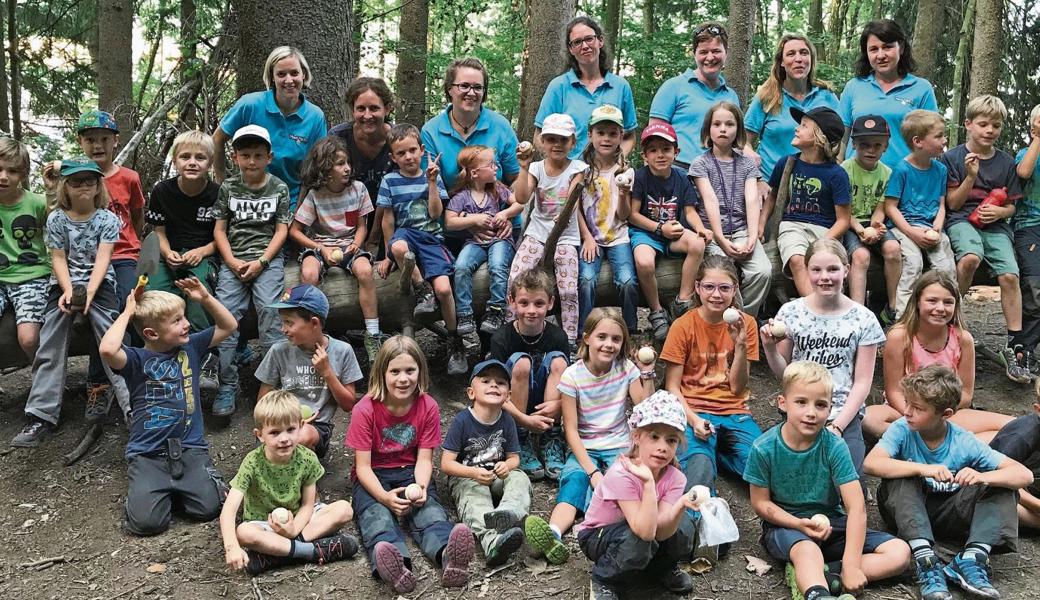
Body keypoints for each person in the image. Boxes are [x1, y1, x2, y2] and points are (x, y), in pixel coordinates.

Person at [865, 365, 1034, 600]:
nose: (907, 412)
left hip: (950, 511)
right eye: (907, 403)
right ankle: (926, 560)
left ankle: (971, 559)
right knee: (901, 476)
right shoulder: (902, 429)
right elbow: (872, 463)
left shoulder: (963, 440)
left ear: (945, 414)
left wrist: (982, 477)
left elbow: (1024, 475)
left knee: (1003, 486)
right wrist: (923, 469)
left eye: (918, 408)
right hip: (906, 510)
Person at [745, 361, 911, 600]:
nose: (811, 412)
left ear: (830, 408)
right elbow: (761, 504)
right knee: (807, 549)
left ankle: (827, 575)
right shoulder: (764, 448)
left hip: (831, 523)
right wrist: (798, 524)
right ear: (783, 403)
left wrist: (852, 566)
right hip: (786, 527)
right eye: (801, 402)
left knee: (899, 552)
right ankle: (818, 593)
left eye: (820, 405)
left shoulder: (834, 446)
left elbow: (856, 508)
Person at [98, 280, 236, 535]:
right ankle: (154, 492)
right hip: (148, 453)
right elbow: (107, 349)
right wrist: (127, 313)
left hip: (189, 447)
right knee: (146, 524)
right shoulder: (135, 360)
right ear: (151, 333)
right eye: (176, 321)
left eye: (183, 317)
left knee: (209, 508)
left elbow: (229, 326)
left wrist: (205, 298)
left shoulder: (190, 346)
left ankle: (177, 488)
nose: (186, 324)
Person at [11, 158, 130, 447]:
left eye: (90, 181)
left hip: (99, 283)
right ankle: (41, 413)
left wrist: (90, 291)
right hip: (63, 284)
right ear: (66, 186)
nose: (84, 187)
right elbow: (58, 257)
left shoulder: (106, 218)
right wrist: (67, 290)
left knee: (111, 337)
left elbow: (104, 258)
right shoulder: (57, 219)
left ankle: (133, 408)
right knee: (50, 337)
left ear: (98, 185)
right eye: (76, 181)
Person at [346, 336, 474, 593]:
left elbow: (425, 458)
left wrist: (422, 486)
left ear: (420, 372)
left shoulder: (427, 406)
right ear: (382, 373)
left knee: (430, 512)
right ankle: (397, 566)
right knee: (377, 518)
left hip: (410, 472)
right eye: (394, 371)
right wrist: (384, 497)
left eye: (409, 370)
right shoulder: (365, 409)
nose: (403, 379)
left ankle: (448, 556)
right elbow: (362, 467)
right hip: (374, 476)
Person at [532, 308, 655, 562]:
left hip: (619, 444)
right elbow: (571, 431)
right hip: (584, 446)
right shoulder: (572, 376)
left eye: (616, 339)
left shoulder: (626, 368)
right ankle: (553, 533)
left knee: (617, 486)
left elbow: (646, 411)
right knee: (575, 481)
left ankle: (599, 529)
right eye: (602, 337)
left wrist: (648, 373)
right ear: (587, 338)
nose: (609, 344)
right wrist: (591, 471)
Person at [761, 239, 885, 476]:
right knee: (793, 481)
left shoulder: (863, 319)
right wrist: (769, 348)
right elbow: (784, 373)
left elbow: (862, 382)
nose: (824, 277)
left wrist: (838, 426)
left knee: (846, 483)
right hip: (800, 409)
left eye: (833, 269)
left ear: (846, 270)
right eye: (816, 270)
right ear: (806, 270)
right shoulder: (791, 312)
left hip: (843, 413)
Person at [220, 390, 359, 575]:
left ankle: (275, 554)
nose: (284, 438)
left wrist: (293, 530)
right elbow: (228, 510)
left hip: (300, 520)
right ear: (260, 435)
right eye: (275, 432)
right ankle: (311, 551)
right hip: (264, 524)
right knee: (244, 532)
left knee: (344, 510)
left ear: (301, 426)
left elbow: (308, 504)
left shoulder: (307, 458)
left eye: (291, 429)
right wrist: (231, 547)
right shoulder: (252, 462)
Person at [863, 271, 1013, 441]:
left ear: (956, 305)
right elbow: (894, 392)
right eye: (932, 301)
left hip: (946, 414)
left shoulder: (963, 339)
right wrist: (917, 414)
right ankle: (936, 443)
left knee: (1013, 426)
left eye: (948, 302)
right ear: (918, 302)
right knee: (869, 418)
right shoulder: (899, 336)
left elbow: (965, 394)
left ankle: (933, 442)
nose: (940, 308)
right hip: (904, 411)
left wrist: (935, 414)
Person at [576, 390, 699, 599]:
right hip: (599, 536)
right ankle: (604, 579)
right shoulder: (622, 473)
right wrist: (649, 484)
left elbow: (660, 530)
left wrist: (681, 505)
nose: (662, 447)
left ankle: (661, 568)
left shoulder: (675, 477)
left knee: (685, 526)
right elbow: (644, 532)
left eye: (671, 440)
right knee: (637, 541)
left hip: (640, 533)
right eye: (654, 437)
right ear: (637, 437)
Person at [942, 95, 1029, 383]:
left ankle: (1015, 342)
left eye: (996, 125)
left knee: (1010, 276)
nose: (989, 130)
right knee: (969, 259)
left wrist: (1000, 211)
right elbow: (953, 205)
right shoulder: (953, 158)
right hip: (962, 221)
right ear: (968, 124)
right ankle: (950, 323)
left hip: (996, 228)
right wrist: (970, 177)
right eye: (982, 124)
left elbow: (1013, 206)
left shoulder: (1005, 162)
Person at [661, 256, 761, 500]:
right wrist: (694, 420)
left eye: (724, 288)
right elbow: (672, 386)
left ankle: (721, 451)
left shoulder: (746, 324)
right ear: (697, 288)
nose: (717, 295)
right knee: (698, 474)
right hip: (693, 411)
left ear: (734, 290)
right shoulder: (682, 326)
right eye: (709, 287)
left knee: (762, 466)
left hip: (735, 413)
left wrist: (740, 345)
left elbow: (738, 387)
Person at [67, 110, 146, 418]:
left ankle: (137, 377)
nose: (97, 145)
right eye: (90, 140)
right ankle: (98, 386)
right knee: (99, 313)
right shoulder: (76, 179)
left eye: (104, 139)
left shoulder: (128, 178)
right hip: (87, 260)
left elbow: (137, 216)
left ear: (116, 141)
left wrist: (132, 246)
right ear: (80, 143)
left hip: (123, 255)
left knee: (130, 307)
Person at [212, 125, 291, 417]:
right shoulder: (229, 188)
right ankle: (227, 384)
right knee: (226, 317)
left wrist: (262, 262)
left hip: (266, 261)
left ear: (269, 157)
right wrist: (231, 261)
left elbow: (282, 230)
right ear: (235, 157)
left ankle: (275, 383)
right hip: (233, 260)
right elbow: (220, 229)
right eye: (245, 155)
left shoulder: (278, 187)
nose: (252, 161)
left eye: (258, 155)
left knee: (271, 313)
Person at [375, 123, 466, 375]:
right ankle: (423, 290)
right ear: (393, 157)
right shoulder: (389, 181)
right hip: (406, 235)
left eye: (412, 151)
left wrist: (433, 182)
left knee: (445, 289)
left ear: (421, 149)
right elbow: (388, 220)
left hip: (432, 239)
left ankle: (453, 340)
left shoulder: (431, 176)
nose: (408, 157)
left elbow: (436, 214)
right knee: (401, 246)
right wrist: (387, 254)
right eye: (401, 153)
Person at [291, 135, 386, 362]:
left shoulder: (358, 189)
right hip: (321, 244)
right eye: (340, 164)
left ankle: (372, 333)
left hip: (349, 245)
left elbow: (362, 226)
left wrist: (356, 245)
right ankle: (313, 333)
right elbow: (294, 231)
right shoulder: (315, 195)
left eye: (347, 163)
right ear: (325, 168)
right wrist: (319, 248)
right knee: (309, 274)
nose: (347, 169)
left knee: (365, 271)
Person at [145, 131, 221, 389]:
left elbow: (222, 236)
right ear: (175, 161)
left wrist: (203, 251)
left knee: (198, 292)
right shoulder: (162, 191)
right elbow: (159, 233)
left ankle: (205, 355)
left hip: (202, 253)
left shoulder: (217, 194)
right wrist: (167, 254)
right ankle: (161, 355)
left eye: (200, 158)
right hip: (169, 254)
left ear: (210, 163)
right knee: (154, 295)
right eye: (185, 157)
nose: (192, 162)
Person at [255, 284, 363, 459]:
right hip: (280, 422)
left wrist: (327, 372)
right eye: (282, 322)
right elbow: (263, 400)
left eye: (289, 322)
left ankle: (305, 476)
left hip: (317, 427)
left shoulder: (342, 351)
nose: (283, 329)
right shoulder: (278, 351)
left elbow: (348, 405)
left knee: (300, 436)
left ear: (314, 323)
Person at [440, 359, 531, 567]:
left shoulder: (507, 420)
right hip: (467, 478)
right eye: (486, 381)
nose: (494, 385)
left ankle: (508, 512)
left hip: (496, 476)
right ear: (472, 392)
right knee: (475, 497)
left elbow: (514, 457)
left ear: (508, 396)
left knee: (519, 477)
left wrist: (507, 466)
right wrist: (472, 473)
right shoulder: (462, 421)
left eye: (500, 382)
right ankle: (492, 542)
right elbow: (446, 464)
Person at [213, 46, 327, 209]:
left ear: (304, 74)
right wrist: (221, 186)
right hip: (246, 201)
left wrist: (300, 211)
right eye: (281, 74)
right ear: (272, 77)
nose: (289, 80)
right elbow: (217, 139)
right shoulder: (250, 104)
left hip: (290, 203)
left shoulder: (315, 116)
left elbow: (313, 169)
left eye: (294, 73)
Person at [509, 113, 585, 349]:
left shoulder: (578, 168)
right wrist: (523, 168)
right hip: (537, 232)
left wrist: (559, 228)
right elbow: (522, 197)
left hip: (566, 237)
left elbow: (570, 205)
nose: (557, 145)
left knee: (569, 289)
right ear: (542, 142)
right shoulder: (536, 168)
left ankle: (569, 340)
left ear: (573, 142)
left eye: (563, 140)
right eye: (551, 139)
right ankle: (512, 328)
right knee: (516, 276)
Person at [487, 269, 570, 482]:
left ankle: (550, 437)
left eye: (539, 304)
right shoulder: (501, 338)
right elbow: (494, 391)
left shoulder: (557, 336)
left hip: (547, 402)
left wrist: (560, 404)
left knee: (559, 361)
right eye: (524, 303)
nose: (531, 311)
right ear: (512, 302)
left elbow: (572, 384)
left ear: (550, 303)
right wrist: (524, 420)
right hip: (514, 406)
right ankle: (519, 438)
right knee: (522, 362)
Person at [629, 122, 709, 342]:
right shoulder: (640, 177)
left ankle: (683, 300)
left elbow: (690, 211)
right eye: (653, 150)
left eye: (666, 149)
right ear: (644, 155)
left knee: (697, 245)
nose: (660, 155)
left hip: (673, 232)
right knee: (644, 262)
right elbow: (632, 215)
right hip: (646, 232)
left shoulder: (682, 177)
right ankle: (656, 312)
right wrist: (657, 228)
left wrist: (700, 228)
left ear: (676, 152)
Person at [759, 107, 851, 297]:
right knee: (797, 259)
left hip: (825, 231)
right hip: (792, 225)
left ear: (820, 138)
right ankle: (814, 308)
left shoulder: (837, 174)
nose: (797, 129)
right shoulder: (787, 163)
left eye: (804, 126)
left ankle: (830, 305)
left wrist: (824, 242)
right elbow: (773, 196)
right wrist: (761, 225)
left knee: (823, 263)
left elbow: (843, 219)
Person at [690, 101, 771, 317]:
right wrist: (720, 239)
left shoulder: (746, 163)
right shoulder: (700, 164)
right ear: (708, 129)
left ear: (738, 130)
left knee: (762, 271)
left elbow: (752, 199)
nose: (723, 129)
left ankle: (746, 321)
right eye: (717, 124)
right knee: (724, 276)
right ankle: (727, 323)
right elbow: (710, 200)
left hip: (742, 230)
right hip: (714, 234)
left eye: (729, 124)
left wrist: (752, 236)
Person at [745, 34, 839, 199]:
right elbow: (743, 141)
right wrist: (757, 179)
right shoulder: (767, 97)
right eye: (791, 54)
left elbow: (842, 139)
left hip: (816, 189)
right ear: (781, 62)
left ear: (811, 59)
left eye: (804, 53)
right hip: (772, 188)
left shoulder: (827, 96)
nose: (798, 59)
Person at [884, 109, 956, 319]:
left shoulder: (940, 170)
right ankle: (902, 317)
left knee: (946, 267)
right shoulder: (902, 170)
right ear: (918, 141)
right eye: (939, 136)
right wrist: (912, 232)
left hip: (932, 227)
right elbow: (891, 207)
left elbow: (942, 205)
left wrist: (937, 227)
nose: (944, 140)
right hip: (904, 228)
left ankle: (948, 317)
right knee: (913, 263)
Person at [839, 20, 938, 168]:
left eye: (887, 47)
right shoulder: (854, 86)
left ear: (901, 48)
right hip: (857, 181)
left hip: (903, 180)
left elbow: (931, 138)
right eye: (873, 49)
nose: (880, 55)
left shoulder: (922, 88)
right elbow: (842, 137)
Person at [535, 16, 638, 159]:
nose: (584, 46)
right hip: (567, 175)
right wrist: (559, 167)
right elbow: (539, 135)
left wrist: (615, 164)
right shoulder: (558, 87)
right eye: (577, 42)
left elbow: (629, 136)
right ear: (571, 49)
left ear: (600, 41)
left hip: (606, 176)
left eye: (589, 39)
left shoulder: (620, 86)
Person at [445, 145, 522, 336]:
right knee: (461, 267)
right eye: (491, 165)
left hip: (499, 239)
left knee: (497, 265)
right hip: (475, 242)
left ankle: (496, 310)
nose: (496, 168)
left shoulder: (498, 189)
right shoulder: (461, 197)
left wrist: (505, 213)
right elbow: (449, 222)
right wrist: (473, 219)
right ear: (475, 173)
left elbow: (519, 203)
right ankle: (464, 314)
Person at [577, 104, 638, 332]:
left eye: (613, 134)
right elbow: (576, 210)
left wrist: (623, 195)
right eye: (600, 133)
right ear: (590, 134)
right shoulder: (582, 171)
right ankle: (583, 332)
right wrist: (587, 237)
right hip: (590, 237)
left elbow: (624, 215)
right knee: (586, 280)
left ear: (621, 136)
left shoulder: (625, 172)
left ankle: (630, 331)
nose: (606, 139)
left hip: (618, 237)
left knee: (627, 282)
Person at [649, 22, 741, 170]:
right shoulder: (673, 87)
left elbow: (736, 144)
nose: (710, 57)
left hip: (720, 176)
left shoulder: (731, 96)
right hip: (678, 174)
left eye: (716, 51)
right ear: (694, 54)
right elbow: (652, 138)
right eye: (704, 52)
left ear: (726, 52)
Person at [421, 57, 520, 191]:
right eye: (464, 86)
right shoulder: (431, 131)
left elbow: (516, 178)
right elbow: (429, 184)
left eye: (478, 87)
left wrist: (506, 209)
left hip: (498, 209)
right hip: (452, 209)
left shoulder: (501, 126)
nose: (471, 92)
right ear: (449, 88)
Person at [330, 77, 396, 259]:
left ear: (387, 108)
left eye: (374, 108)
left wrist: (374, 237)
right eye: (361, 108)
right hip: (346, 226)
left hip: (389, 225)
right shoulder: (339, 137)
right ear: (352, 110)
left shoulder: (399, 140)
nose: (367, 116)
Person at [841, 115, 900, 316]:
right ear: (854, 144)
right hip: (850, 223)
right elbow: (843, 210)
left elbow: (882, 206)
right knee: (861, 255)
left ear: (886, 146)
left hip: (872, 223)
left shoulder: (887, 173)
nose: (871, 150)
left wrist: (876, 226)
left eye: (877, 145)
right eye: (864, 144)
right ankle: (858, 311)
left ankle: (892, 306)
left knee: (893, 248)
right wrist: (860, 230)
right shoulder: (845, 170)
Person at [0, 136, 49, 362]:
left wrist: (53, 191)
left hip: (32, 276)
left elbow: (62, 227)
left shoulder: (37, 203)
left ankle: (42, 379)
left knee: (28, 338)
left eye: (12, 171)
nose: (3, 177)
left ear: (23, 174)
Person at [987, 382, 1040, 529]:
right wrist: (1036, 505)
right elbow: (993, 478)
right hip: (1001, 487)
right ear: (1038, 410)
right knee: (999, 500)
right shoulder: (1022, 436)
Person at [1015, 103, 1040, 375]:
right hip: (1030, 226)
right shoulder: (1027, 154)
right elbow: (1023, 173)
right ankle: (1026, 349)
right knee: (1035, 287)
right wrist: (1038, 139)